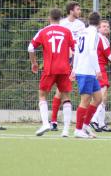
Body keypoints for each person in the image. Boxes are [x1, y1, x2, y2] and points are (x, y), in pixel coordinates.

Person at [28, 8, 75, 137]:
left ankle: (45, 123)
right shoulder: (67, 31)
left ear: (49, 18)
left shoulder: (43, 31)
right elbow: (75, 50)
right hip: (64, 69)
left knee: (42, 95)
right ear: (60, 19)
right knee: (66, 98)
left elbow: (30, 47)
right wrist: (73, 67)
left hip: (49, 68)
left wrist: (34, 63)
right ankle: (65, 130)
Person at [50, 1, 87, 131]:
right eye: (78, 9)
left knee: (88, 91)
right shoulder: (62, 24)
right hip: (66, 61)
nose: (80, 11)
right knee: (61, 91)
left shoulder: (81, 25)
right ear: (71, 11)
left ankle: (89, 122)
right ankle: (53, 121)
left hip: (80, 61)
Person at [71, 11, 103, 139]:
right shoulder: (94, 33)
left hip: (85, 70)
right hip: (86, 71)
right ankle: (78, 130)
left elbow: (77, 51)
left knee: (98, 98)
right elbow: (91, 51)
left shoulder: (83, 32)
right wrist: (97, 69)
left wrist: (74, 68)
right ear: (99, 23)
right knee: (85, 100)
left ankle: (85, 125)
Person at [90, 19, 111, 132]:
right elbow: (108, 55)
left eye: (107, 26)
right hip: (99, 69)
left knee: (102, 97)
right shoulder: (101, 38)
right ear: (99, 28)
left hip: (98, 68)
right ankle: (93, 119)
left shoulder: (102, 39)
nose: (106, 28)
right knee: (101, 96)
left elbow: (105, 55)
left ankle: (101, 124)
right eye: (103, 26)